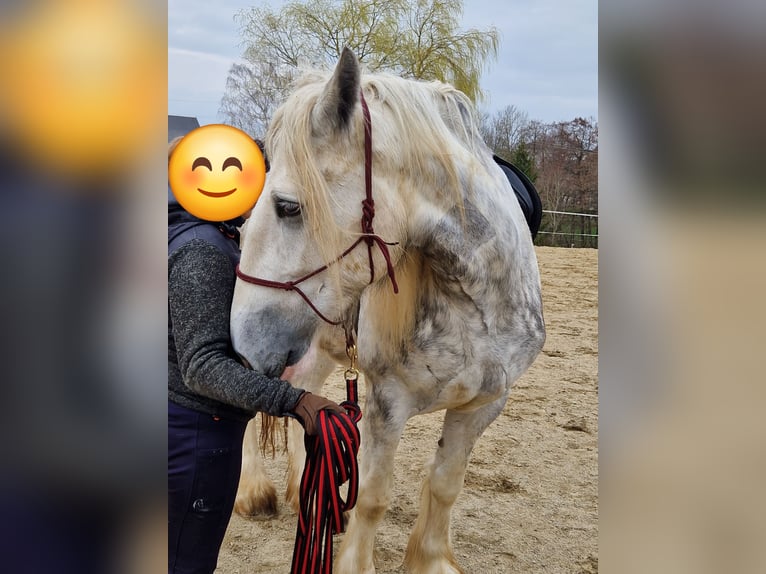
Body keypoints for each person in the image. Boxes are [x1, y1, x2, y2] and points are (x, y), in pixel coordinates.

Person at [167, 136, 343, 574]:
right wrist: (297, 402)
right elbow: (202, 366)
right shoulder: (202, 251)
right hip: (194, 435)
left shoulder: (187, 234)